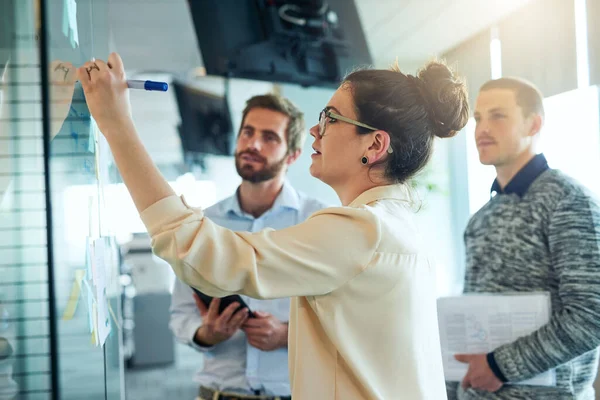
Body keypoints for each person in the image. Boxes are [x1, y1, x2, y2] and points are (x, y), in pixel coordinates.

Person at [77, 52, 469, 399]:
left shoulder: (360, 230)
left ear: (374, 146)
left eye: (330, 118)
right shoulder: (398, 225)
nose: (318, 129)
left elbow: (199, 254)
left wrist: (116, 124)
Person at [446, 77, 600, 400]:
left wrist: (500, 367)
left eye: (497, 116)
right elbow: (472, 313)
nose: (481, 129)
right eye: (478, 118)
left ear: (534, 124)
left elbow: (592, 314)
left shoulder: (570, 201)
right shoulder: (480, 219)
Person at [169, 93, 327, 400]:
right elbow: (180, 313)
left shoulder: (318, 223)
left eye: (269, 137)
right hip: (219, 393)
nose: (253, 144)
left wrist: (287, 336)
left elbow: (344, 319)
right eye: (248, 132)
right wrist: (206, 334)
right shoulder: (205, 225)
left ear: (293, 155)